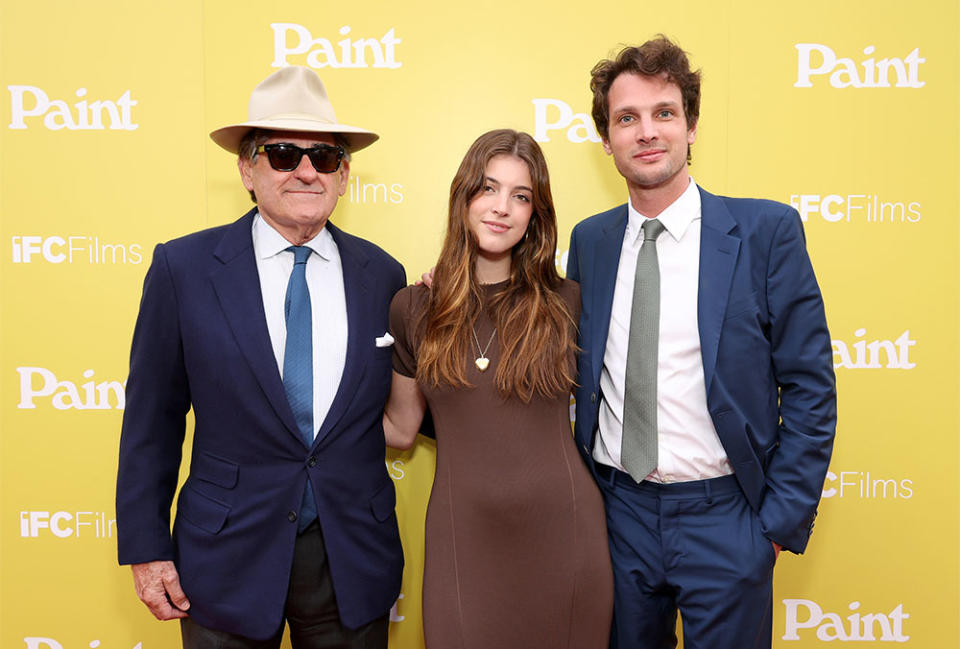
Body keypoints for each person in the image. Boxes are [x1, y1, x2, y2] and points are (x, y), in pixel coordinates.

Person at [115, 66, 405, 649]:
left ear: (344, 176)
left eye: (324, 158)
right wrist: (147, 551)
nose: (305, 170)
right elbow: (152, 418)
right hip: (224, 560)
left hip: (351, 559)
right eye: (282, 153)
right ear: (247, 168)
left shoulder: (383, 276)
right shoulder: (185, 270)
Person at [566, 36, 837, 649]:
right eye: (626, 118)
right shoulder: (591, 243)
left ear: (691, 127)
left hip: (728, 516)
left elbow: (810, 385)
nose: (647, 132)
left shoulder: (766, 231)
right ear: (606, 141)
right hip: (616, 514)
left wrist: (771, 526)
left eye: (664, 113)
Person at [384, 129, 613, 649]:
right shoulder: (414, 308)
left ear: (536, 213)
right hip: (464, 541)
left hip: (566, 536)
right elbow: (399, 428)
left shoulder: (570, 302)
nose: (502, 207)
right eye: (488, 189)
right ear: (463, 195)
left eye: (521, 195)